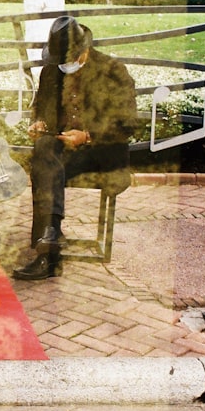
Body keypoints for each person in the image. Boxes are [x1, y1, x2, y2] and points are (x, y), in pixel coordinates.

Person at [13, 16, 138, 280]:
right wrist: (39, 122)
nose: (64, 66)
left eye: (69, 60)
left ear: (84, 52)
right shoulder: (52, 70)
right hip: (62, 152)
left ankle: (48, 243)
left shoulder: (113, 70)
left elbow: (127, 123)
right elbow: (42, 108)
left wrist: (87, 136)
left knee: (44, 165)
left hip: (101, 153)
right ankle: (51, 241)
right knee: (44, 151)